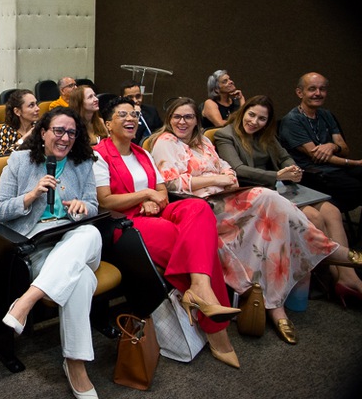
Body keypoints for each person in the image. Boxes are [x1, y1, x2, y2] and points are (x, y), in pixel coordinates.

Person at [148, 97, 361, 344]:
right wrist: (215, 180)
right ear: (169, 119)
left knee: (273, 225)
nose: (182, 122)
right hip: (203, 208)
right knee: (268, 197)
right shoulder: (165, 142)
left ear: (197, 121)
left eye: (188, 117)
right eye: (177, 117)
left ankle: (274, 306)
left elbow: (227, 168)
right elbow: (172, 183)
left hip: (225, 198)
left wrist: (224, 176)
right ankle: (332, 253)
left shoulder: (204, 142)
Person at [94, 97, 240, 368]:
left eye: (134, 115)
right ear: (107, 123)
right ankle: (218, 332)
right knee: (188, 242)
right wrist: (145, 195)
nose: (130, 119)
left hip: (154, 210)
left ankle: (199, 288)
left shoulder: (142, 152)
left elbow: (163, 191)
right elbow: (105, 200)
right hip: (122, 224)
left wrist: (153, 197)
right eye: (122, 115)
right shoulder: (98, 155)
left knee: (198, 209)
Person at [0, 107, 102, 399]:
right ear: (42, 133)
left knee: (90, 232)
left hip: (78, 237)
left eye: (71, 132)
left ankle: (26, 301)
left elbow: (93, 205)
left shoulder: (83, 163)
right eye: (58, 130)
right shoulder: (19, 161)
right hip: (40, 245)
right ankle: (76, 365)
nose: (65, 137)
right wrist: (30, 195)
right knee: (80, 281)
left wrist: (82, 207)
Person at [216, 95, 362, 306]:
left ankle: (349, 278)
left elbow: (284, 157)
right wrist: (277, 176)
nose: (255, 122)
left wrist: (292, 169)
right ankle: (323, 280)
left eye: (262, 119)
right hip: (254, 191)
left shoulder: (265, 135)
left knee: (331, 211)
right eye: (251, 115)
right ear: (243, 112)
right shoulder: (225, 134)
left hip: (280, 187)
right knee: (313, 217)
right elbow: (238, 169)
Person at [279, 72, 362, 213]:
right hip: (314, 175)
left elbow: (344, 149)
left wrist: (332, 146)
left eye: (322, 89)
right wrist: (355, 163)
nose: (318, 93)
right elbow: (317, 156)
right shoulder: (292, 120)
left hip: (336, 169)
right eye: (312, 89)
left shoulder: (326, 114)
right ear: (300, 93)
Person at [0, 89, 40, 155]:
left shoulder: (39, 126)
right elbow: (1, 158)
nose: (37, 108)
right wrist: (25, 137)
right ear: (17, 111)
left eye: (36, 104)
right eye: (31, 105)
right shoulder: (7, 130)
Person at [121, 80, 162, 144]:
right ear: (121, 98)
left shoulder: (151, 110)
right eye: (129, 97)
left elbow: (160, 131)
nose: (135, 100)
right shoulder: (120, 116)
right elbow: (132, 139)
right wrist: (136, 115)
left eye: (138, 96)